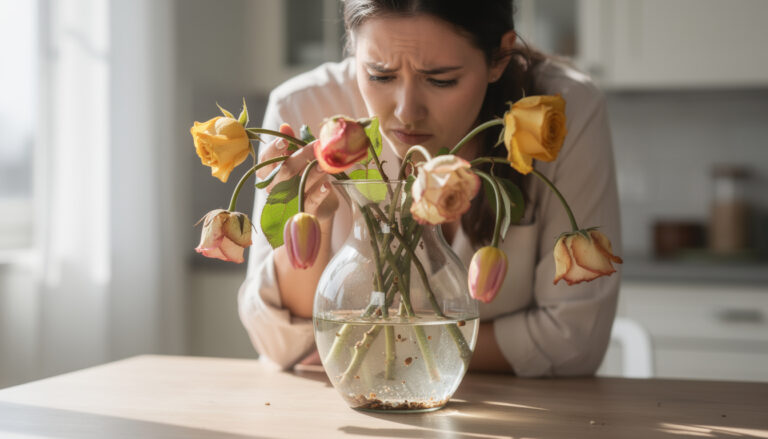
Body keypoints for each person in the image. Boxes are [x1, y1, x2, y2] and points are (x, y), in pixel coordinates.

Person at [238, 0, 621, 376]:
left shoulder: (557, 114)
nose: (407, 110)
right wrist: (314, 218)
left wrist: (382, 346)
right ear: (352, 47)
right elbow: (281, 343)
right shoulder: (303, 106)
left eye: (441, 79)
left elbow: (574, 342)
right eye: (380, 75)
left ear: (499, 57)